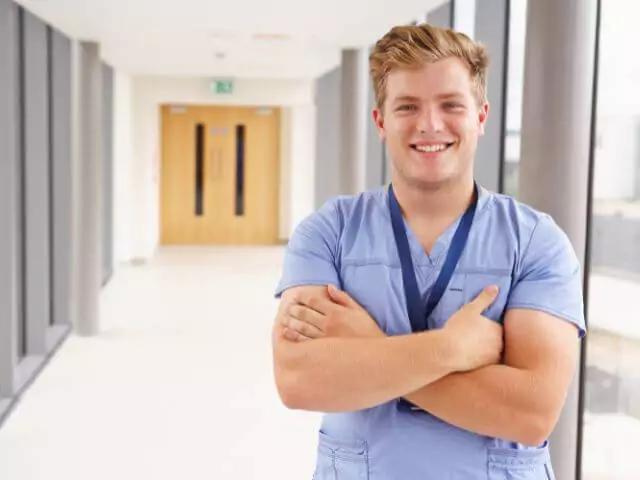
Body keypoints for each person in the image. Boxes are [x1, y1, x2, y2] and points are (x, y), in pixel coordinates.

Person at [271, 22, 585, 480]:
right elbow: (299, 380)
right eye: (407, 106)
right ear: (381, 122)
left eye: (451, 105)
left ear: (481, 116)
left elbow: (530, 412)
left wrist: (370, 352)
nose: (430, 124)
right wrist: (449, 348)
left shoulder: (536, 242)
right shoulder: (328, 233)